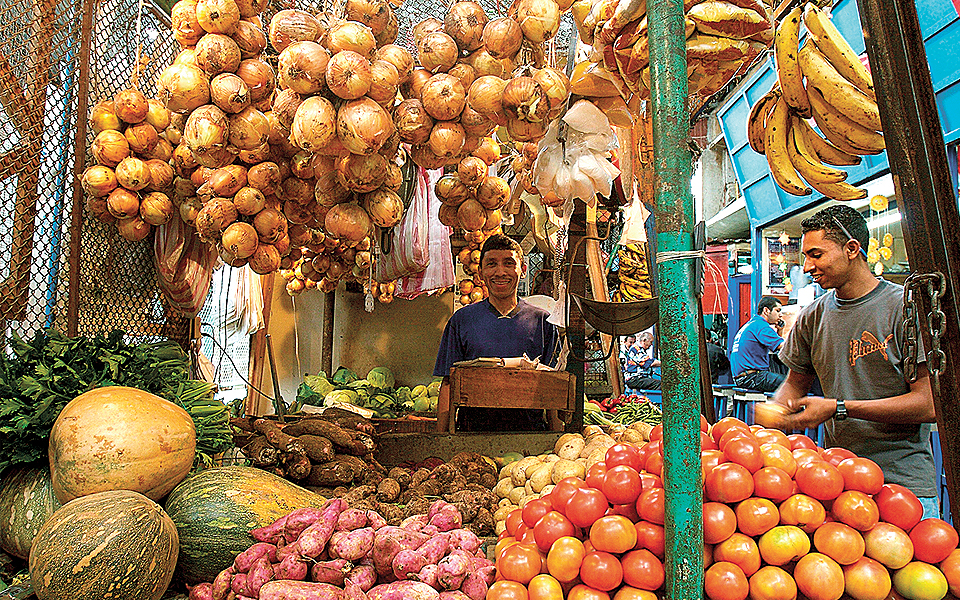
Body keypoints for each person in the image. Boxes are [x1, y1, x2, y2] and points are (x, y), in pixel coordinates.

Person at [770, 205, 938, 514]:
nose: (806, 266)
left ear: (851, 249)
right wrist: (775, 418)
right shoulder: (812, 317)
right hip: (836, 482)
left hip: (903, 487)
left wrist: (840, 408)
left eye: (816, 255)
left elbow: (928, 404)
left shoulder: (905, 308)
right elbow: (794, 384)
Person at [433, 233, 560, 431]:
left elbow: (554, 387)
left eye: (509, 263)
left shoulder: (544, 322)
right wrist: (441, 439)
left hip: (532, 439)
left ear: (523, 270)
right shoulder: (461, 321)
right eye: (492, 264)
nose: (500, 272)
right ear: (481, 272)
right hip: (471, 436)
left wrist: (556, 437)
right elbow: (449, 383)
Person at [729, 296, 786, 392]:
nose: (780, 315)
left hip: (743, 377)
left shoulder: (753, 323)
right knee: (792, 384)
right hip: (752, 377)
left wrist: (780, 331)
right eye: (777, 311)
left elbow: (776, 346)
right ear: (766, 311)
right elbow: (782, 346)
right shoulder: (761, 326)